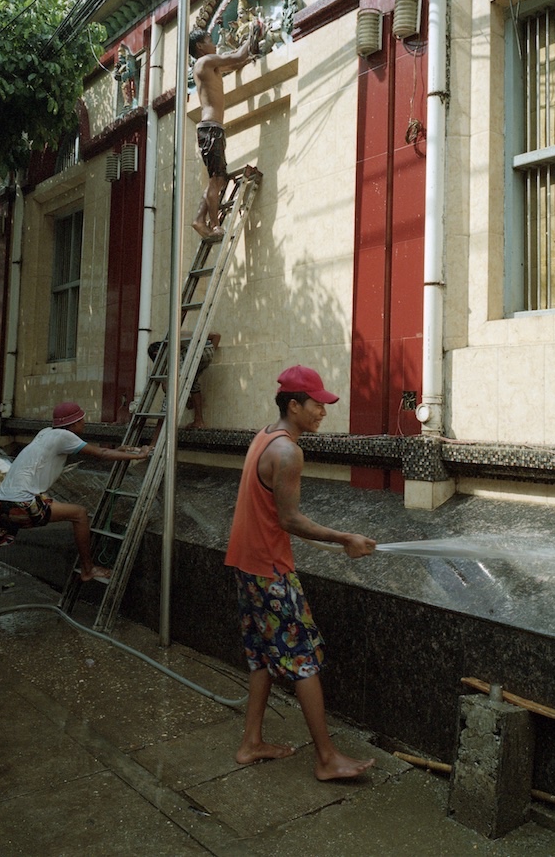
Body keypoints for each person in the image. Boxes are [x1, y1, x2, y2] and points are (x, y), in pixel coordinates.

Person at [225, 365, 377, 780]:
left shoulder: (264, 436)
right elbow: (290, 520)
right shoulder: (288, 452)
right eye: (317, 405)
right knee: (303, 658)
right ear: (294, 405)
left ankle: (251, 743)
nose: (322, 412)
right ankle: (327, 759)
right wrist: (345, 538)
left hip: (246, 563)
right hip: (270, 570)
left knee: (261, 655)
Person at [0, 401, 151, 647]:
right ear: (74, 423)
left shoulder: (46, 434)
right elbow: (101, 455)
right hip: (22, 505)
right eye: (82, 419)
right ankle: (89, 569)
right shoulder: (64, 436)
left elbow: (43, 465)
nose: (85, 423)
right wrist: (141, 454)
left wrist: (123, 450)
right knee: (79, 514)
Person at [188, 22, 261, 239]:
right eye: (210, 41)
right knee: (216, 180)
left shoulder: (210, 67)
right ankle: (214, 225)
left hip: (213, 129)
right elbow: (237, 56)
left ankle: (200, 220)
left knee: (217, 178)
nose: (215, 44)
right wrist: (253, 33)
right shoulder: (205, 61)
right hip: (211, 129)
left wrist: (247, 56)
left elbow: (237, 63)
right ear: (200, 46)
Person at [147, 332, 220, 430]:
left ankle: (156, 440)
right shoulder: (174, 352)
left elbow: (168, 388)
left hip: (201, 351)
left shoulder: (179, 338)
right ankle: (199, 420)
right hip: (205, 353)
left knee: (172, 389)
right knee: (192, 382)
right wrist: (209, 354)